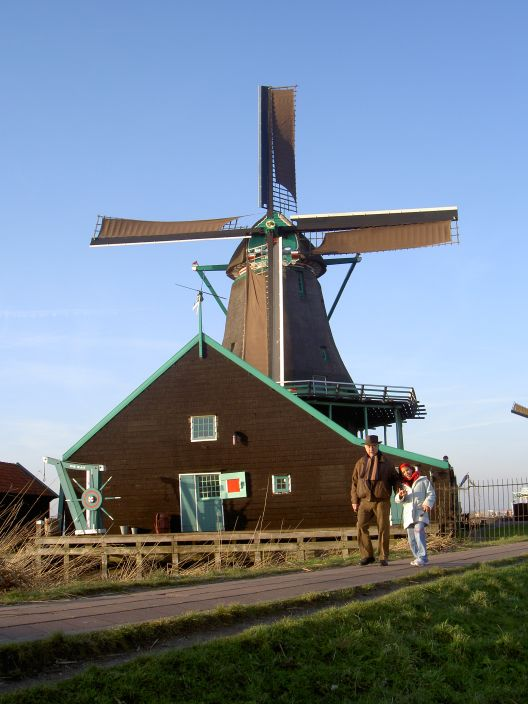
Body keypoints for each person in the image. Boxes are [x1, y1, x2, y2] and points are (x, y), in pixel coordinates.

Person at [351, 434, 402, 566]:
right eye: (368, 446)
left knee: (383, 528)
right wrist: (354, 500)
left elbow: (395, 479)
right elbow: (354, 483)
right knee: (361, 526)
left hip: (382, 500)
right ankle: (367, 555)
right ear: (365, 447)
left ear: (378, 446)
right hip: (364, 500)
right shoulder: (360, 462)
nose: (371, 448)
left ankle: (383, 556)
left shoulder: (387, 463)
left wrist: (399, 491)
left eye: (373, 446)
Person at [395, 463, 436, 566]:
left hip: (420, 512)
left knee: (418, 531)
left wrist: (427, 503)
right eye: (404, 472)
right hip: (408, 515)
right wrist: (401, 496)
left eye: (407, 470)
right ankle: (418, 557)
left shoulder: (423, 480)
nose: (406, 473)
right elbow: (397, 500)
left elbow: (431, 493)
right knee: (411, 538)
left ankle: (422, 557)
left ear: (412, 469)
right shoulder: (402, 485)